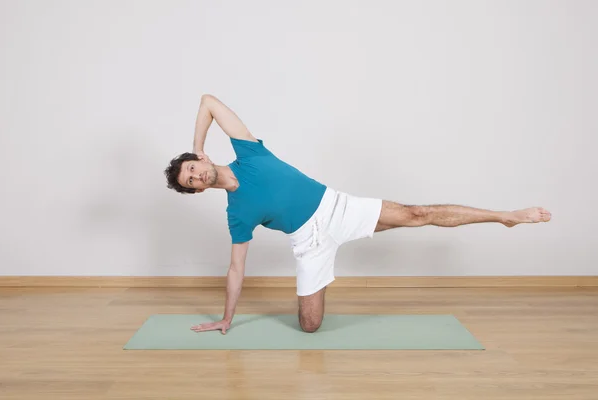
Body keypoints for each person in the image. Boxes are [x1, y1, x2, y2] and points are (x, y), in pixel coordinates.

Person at [164, 94, 552, 334]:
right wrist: (226, 318)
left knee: (418, 213)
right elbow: (236, 269)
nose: (198, 175)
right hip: (309, 242)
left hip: (338, 208)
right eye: (192, 181)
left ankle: (506, 215)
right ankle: (327, 270)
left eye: (193, 168)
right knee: (310, 326)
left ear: (202, 161)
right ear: (196, 191)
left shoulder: (249, 152)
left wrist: (196, 147)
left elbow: (208, 101)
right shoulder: (236, 214)